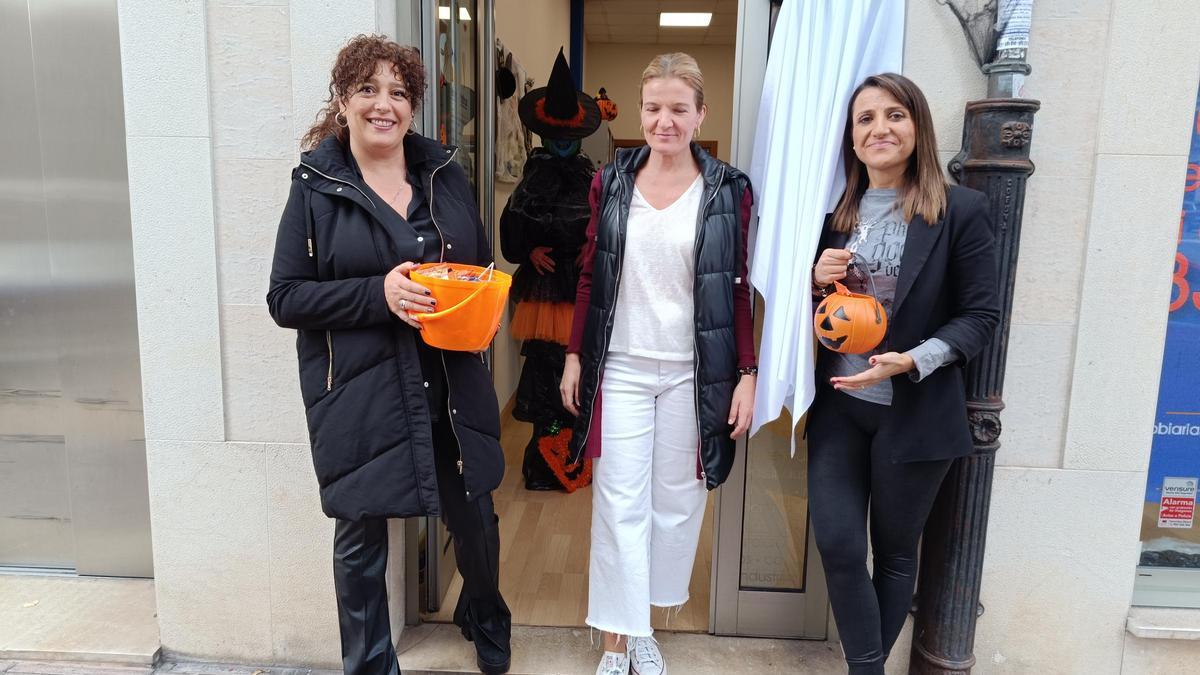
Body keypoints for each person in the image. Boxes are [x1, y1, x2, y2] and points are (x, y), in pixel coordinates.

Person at [266, 35, 510, 675]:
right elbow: (285, 298)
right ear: (343, 100)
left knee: (475, 513)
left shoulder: (443, 173)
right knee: (359, 533)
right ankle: (371, 664)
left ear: (413, 106)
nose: (384, 105)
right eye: (368, 90)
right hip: (362, 388)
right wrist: (378, 294)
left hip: (450, 378)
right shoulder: (315, 188)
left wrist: (482, 304)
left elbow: (477, 264)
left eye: (398, 93)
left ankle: (484, 612)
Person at [560, 52, 757, 675]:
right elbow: (590, 274)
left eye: (678, 108)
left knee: (677, 499)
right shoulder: (610, 182)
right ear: (640, 112)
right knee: (618, 499)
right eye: (652, 108)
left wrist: (747, 375)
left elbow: (737, 286)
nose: (663, 121)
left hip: (693, 372)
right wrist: (573, 356)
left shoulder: (729, 189)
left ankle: (643, 619)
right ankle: (619, 638)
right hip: (620, 365)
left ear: (700, 113)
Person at [806, 72, 1000, 674]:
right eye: (866, 119)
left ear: (918, 127)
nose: (880, 129)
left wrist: (916, 359)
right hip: (841, 405)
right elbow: (816, 311)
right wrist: (815, 278)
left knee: (894, 554)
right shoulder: (833, 214)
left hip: (914, 414)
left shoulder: (961, 210)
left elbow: (982, 315)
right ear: (852, 138)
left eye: (894, 115)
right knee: (838, 545)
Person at [501, 48, 599, 492]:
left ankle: (573, 459)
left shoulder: (590, 177)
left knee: (579, 366)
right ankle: (543, 463)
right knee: (544, 369)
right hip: (543, 292)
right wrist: (530, 251)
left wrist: (590, 250)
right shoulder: (532, 177)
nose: (561, 143)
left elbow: (605, 228)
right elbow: (512, 231)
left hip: (578, 288)